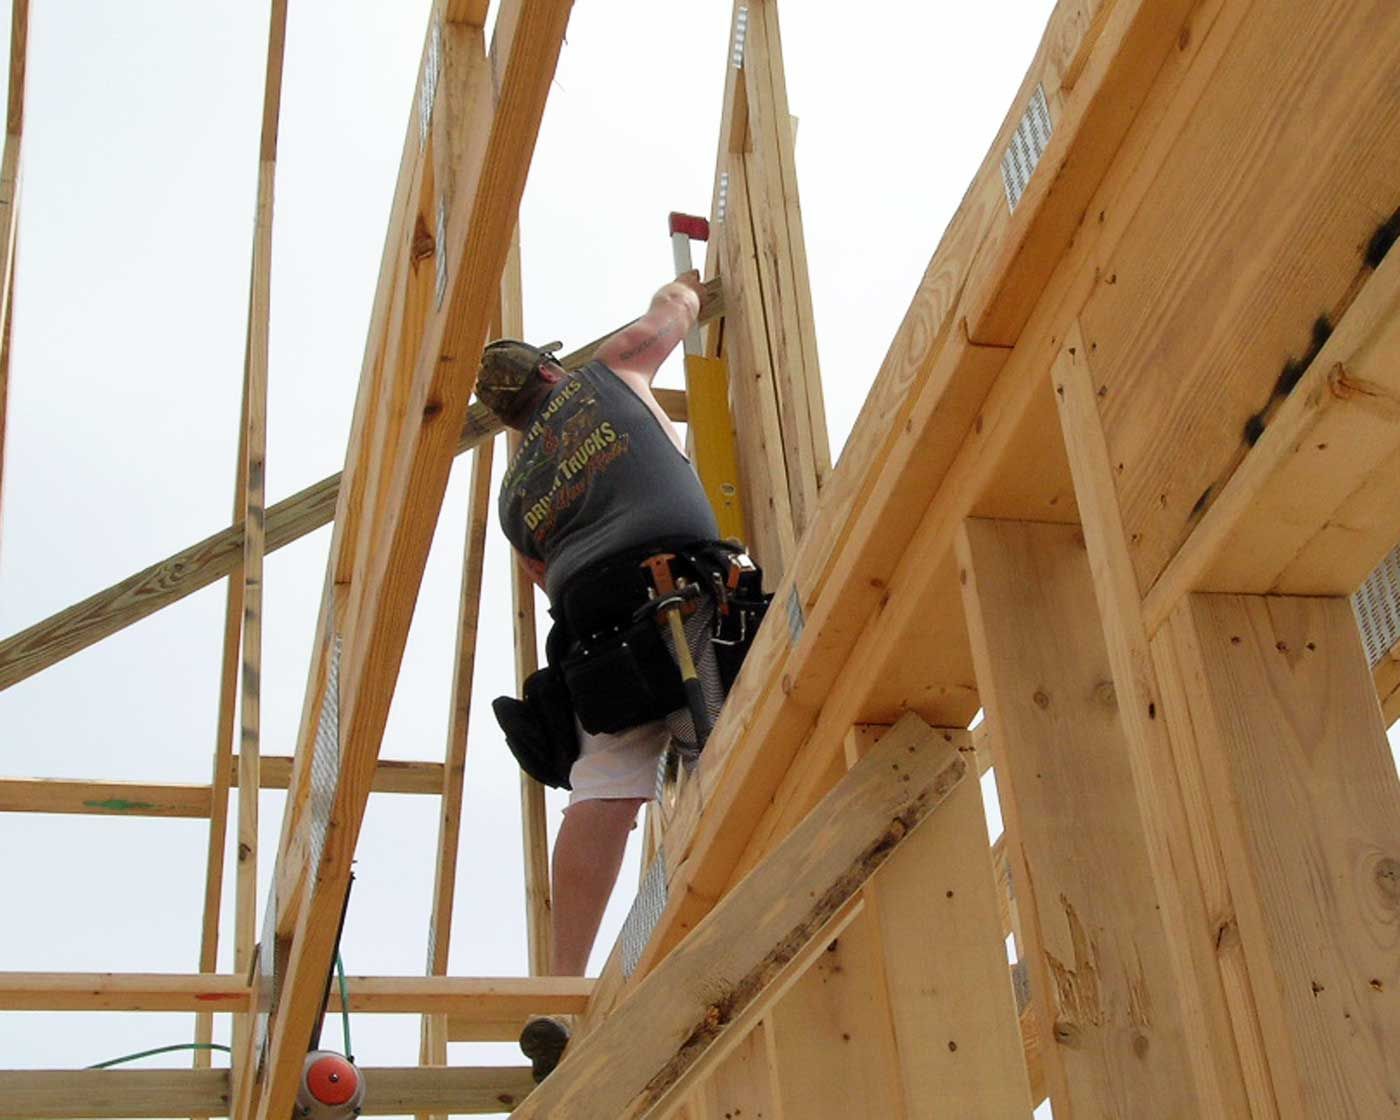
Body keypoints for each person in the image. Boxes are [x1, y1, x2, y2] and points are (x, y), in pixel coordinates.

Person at [473, 271, 765, 1080]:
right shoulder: (605, 372)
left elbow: (545, 577)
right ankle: (729, 922)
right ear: (549, 374)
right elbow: (664, 321)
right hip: (683, 590)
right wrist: (686, 290)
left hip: (595, 635)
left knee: (602, 787)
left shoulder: (514, 495)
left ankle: (561, 989)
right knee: (727, 742)